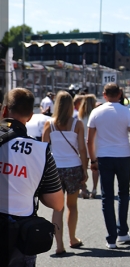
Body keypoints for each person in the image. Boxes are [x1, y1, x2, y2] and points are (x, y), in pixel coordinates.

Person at [1, 88, 63, 267]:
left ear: (5, 111)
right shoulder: (39, 151)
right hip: (18, 230)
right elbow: (56, 202)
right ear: (31, 114)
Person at [87, 83, 130, 249]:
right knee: (123, 194)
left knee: (107, 197)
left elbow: (90, 140)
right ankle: (122, 231)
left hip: (104, 157)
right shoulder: (127, 112)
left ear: (104, 94)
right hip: (124, 156)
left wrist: (93, 160)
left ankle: (111, 238)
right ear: (119, 94)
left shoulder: (96, 112)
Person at [42, 91, 88, 254]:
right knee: (72, 206)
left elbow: (44, 149)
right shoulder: (78, 124)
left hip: (55, 168)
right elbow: (82, 149)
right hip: (73, 168)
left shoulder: (49, 123)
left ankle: (59, 245)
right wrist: (85, 169)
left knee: (57, 208)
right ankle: (73, 238)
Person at [77, 93, 99, 197]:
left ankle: (84, 188)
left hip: (82, 142)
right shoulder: (96, 115)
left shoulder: (79, 116)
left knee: (83, 168)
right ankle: (94, 188)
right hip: (94, 142)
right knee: (95, 167)